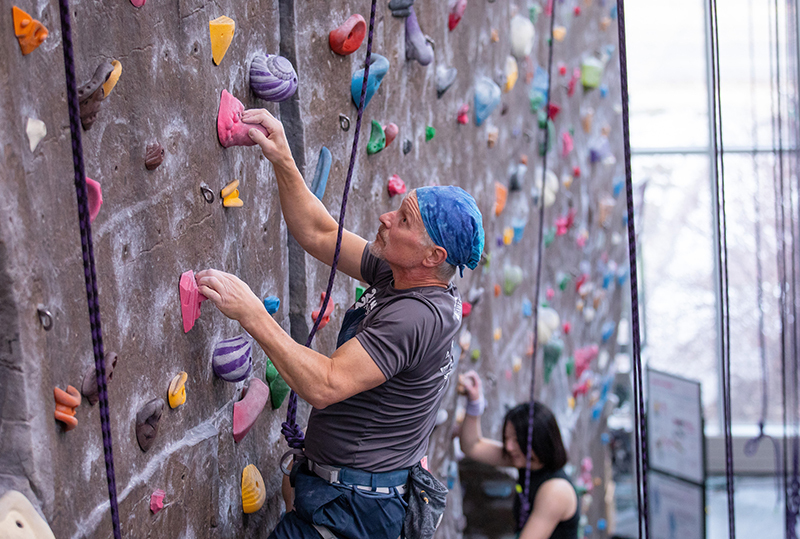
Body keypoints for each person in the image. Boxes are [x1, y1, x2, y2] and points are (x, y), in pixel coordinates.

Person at [195, 108, 485, 539]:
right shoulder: (402, 275)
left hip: (355, 515)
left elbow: (325, 385)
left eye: (404, 220)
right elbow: (319, 233)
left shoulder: (417, 315)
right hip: (345, 499)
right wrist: (283, 160)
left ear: (434, 257)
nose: (386, 218)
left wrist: (251, 313)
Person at [458, 371, 580, 539]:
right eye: (507, 438)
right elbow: (472, 446)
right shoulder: (526, 460)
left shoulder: (555, 490)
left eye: (516, 440)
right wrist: (474, 402)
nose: (508, 446)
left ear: (539, 443)